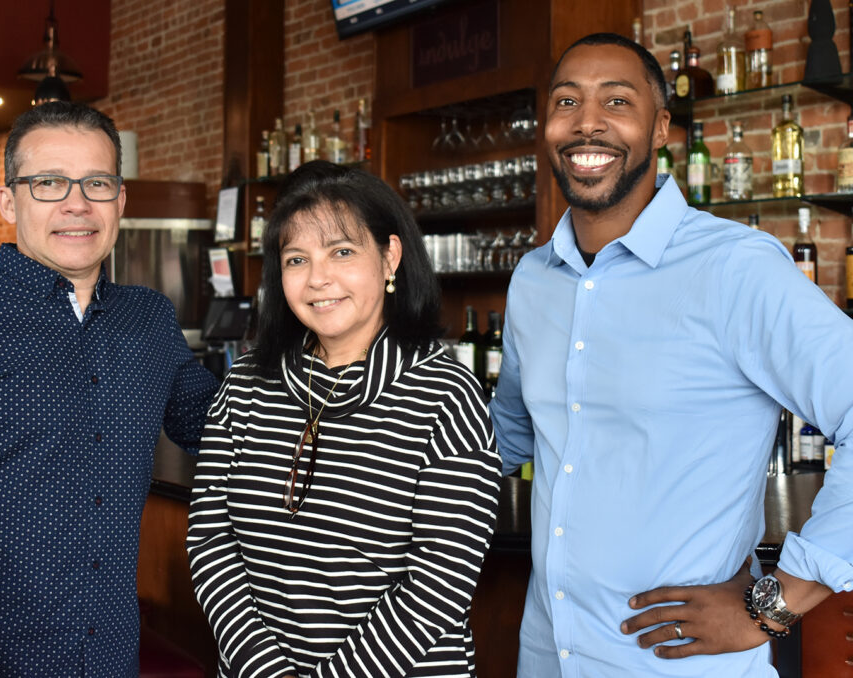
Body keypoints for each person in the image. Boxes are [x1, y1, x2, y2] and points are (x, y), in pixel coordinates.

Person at [489, 33, 853, 677]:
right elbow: (508, 437)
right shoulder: (532, 280)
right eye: (567, 100)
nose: (588, 122)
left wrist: (773, 605)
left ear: (660, 128)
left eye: (617, 101)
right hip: (550, 656)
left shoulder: (735, 268)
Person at [0, 101, 219, 678]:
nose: (77, 203)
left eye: (97, 183)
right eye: (49, 182)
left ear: (120, 201)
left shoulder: (149, 320)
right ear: (9, 201)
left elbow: (221, 423)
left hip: (107, 659)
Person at [187, 161, 502, 677]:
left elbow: (439, 582)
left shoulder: (447, 394)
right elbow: (210, 539)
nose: (318, 279)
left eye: (342, 252)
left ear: (389, 257)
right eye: (296, 259)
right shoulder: (247, 381)